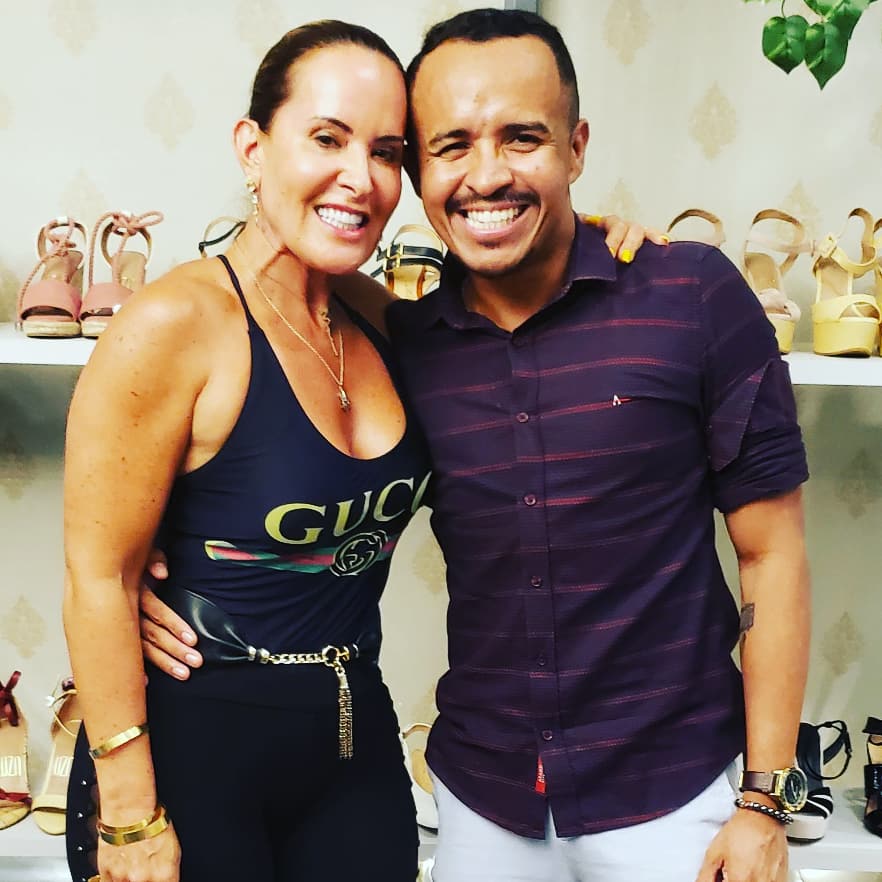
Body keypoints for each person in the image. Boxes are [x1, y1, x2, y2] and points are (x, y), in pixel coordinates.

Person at [142, 8, 812, 882]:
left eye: (523, 138)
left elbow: (772, 555)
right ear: (419, 170)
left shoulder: (691, 296)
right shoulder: (405, 342)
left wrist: (764, 801)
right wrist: (157, 566)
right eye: (450, 146)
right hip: (485, 799)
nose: (486, 175)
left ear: (576, 146)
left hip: (671, 795)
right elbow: (273, 451)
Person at [63, 17, 653, 882]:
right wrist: (128, 818)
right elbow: (98, 579)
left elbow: (519, 318)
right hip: (190, 750)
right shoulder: (173, 325)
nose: (360, 178)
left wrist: (588, 231)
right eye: (326, 139)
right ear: (253, 148)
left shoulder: (385, 320)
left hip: (352, 746)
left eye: (385, 151)